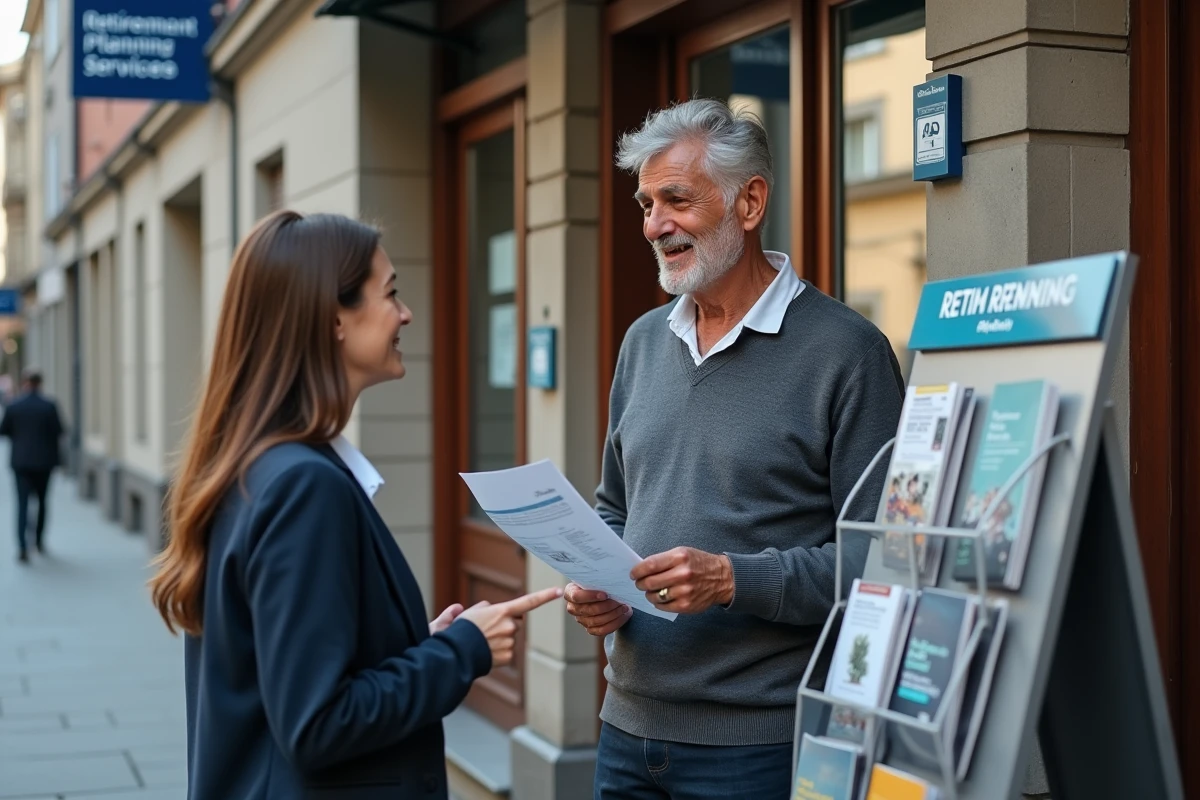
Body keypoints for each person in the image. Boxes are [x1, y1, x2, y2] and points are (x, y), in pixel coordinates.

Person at [147, 211, 562, 800]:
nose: (405, 313)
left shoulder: (256, 468)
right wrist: (460, 651)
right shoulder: (302, 487)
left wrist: (413, 646)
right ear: (333, 319)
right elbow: (316, 723)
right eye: (390, 294)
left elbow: (286, 669)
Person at [564, 99, 905, 798]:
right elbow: (613, 509)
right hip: (626, 731)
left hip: (762, 747)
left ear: (749, 203)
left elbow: (885, 562)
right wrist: (597, 583)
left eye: (676, 200)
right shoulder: (641, 343)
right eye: (646, 203)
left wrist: (730, 579)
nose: (654, 225)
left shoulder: (847, 352)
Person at [0, 369, 64, 563]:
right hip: (44, 463)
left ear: (25, 383)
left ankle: (22, 546)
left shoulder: (14, 406)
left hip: (21, 463)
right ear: (40, 383)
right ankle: (38, 541)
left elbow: (3, 431)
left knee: (22, 505)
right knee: (42, 503)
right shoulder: (49, 406)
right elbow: (59, 431)